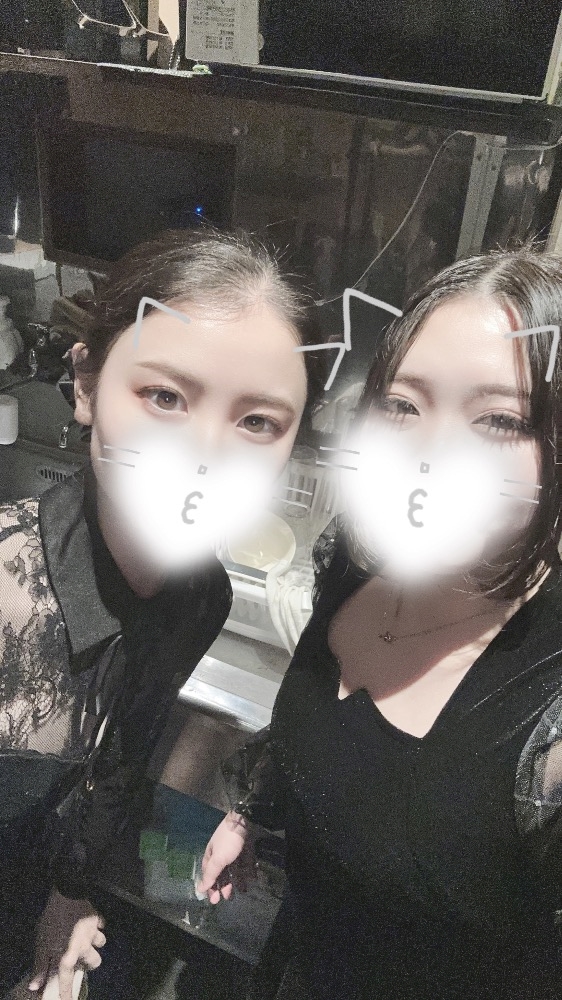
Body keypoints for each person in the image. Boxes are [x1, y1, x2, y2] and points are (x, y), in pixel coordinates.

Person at [199, 246, 562, 1000]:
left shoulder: (549, 715)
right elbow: (332, 735)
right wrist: (256, 815)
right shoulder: (352, 559)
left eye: (498, 419)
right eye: (402, 405)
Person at [0, 228, 323, 999]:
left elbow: (122, 752)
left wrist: (68, 891)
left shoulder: (200, 595)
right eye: (166, 397)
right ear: (86, 385)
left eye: (257, 421)